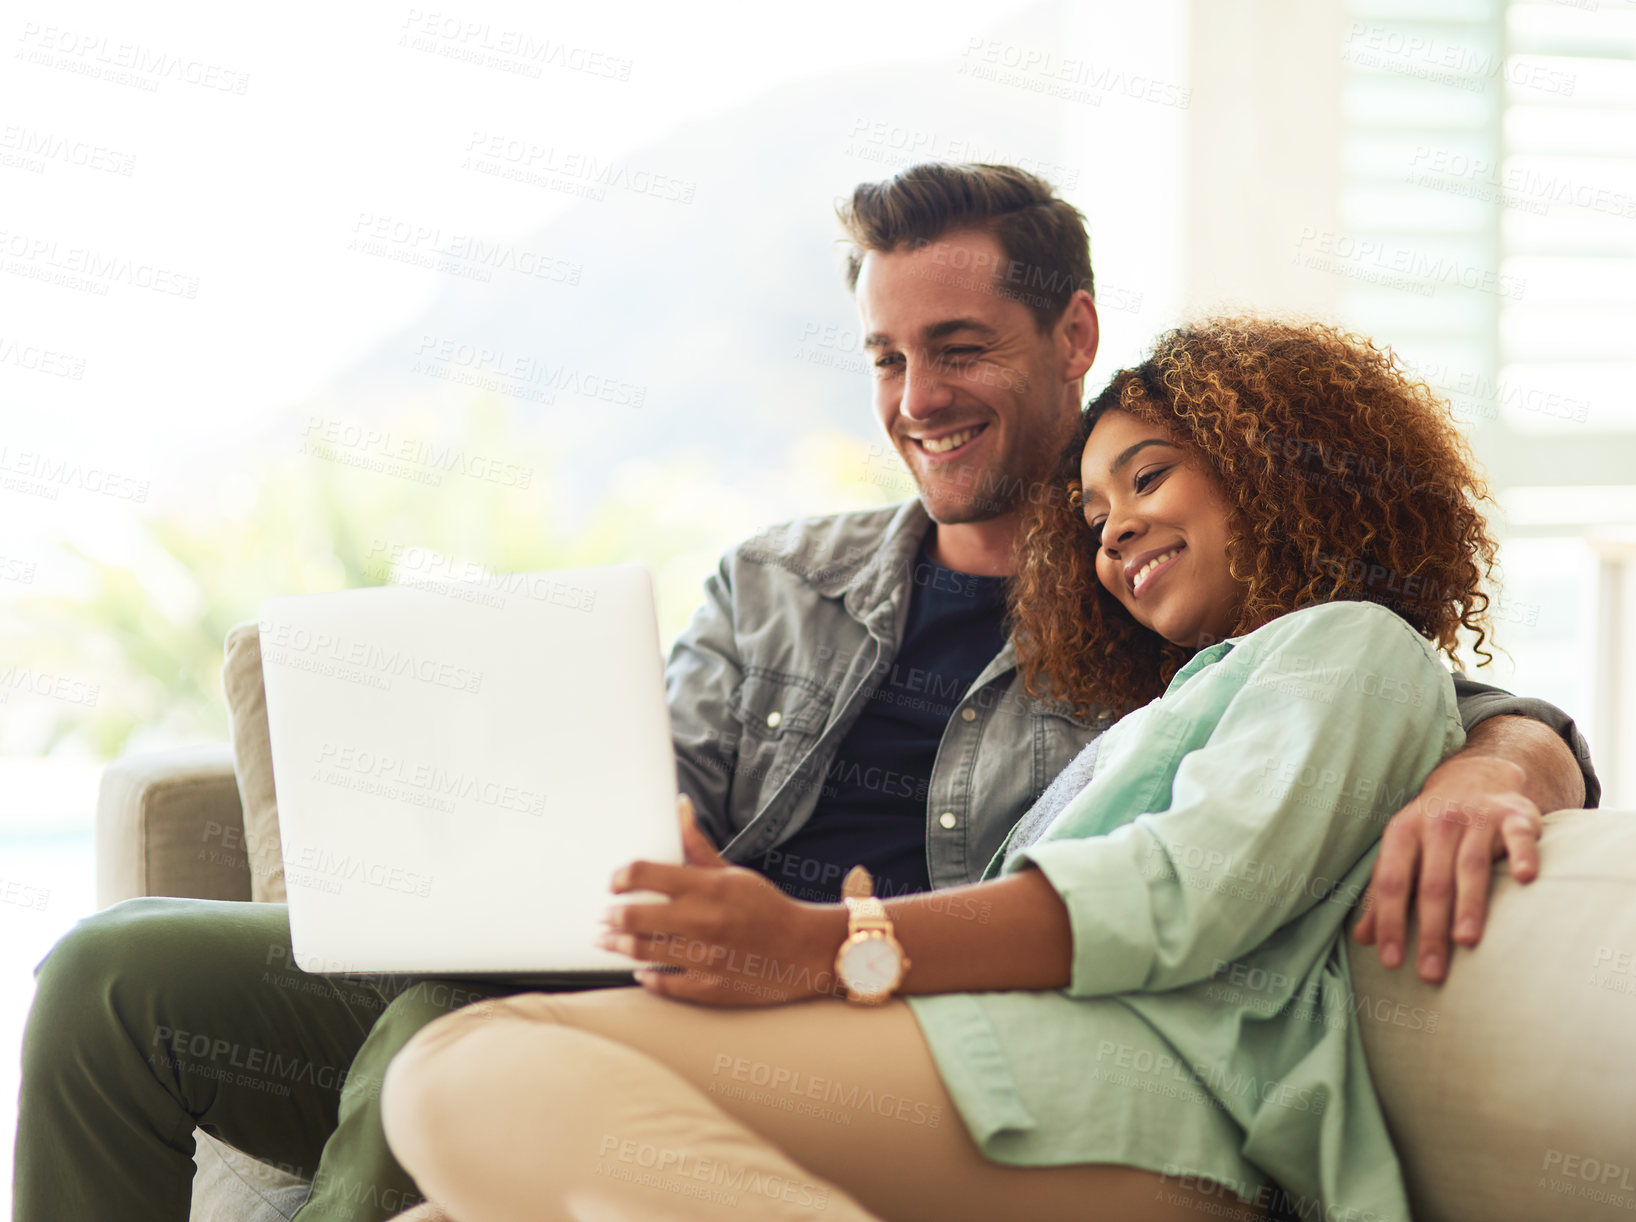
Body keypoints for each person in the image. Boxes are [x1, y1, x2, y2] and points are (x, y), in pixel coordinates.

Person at [11, 165, 1592, 1222]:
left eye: (958, 346)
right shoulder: (786, 572)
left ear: (1074, 334)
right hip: (672, 953)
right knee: (118, 972)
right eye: (886, 359)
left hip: (879, 1008)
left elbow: (1363, 684)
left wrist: (1514, 754)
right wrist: (569, 830)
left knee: (459, 1033)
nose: (920, 399)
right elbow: (654, 777)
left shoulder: (1179, 616)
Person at [380, 314, 1523, 1222]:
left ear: (1272, 468)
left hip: (1152, 1115)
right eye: (1091, 509)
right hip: (1016, 1072)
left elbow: (1176, 896)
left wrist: (822, 948)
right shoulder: (1180, 700)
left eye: (1150, 476)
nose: (1111, 528)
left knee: (461, 1070)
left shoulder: (1351, 646)